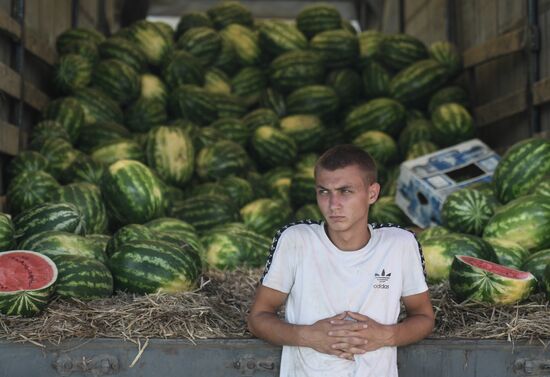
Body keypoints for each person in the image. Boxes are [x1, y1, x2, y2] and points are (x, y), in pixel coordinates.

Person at [247, 144, 435, 377]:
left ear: (372, 193)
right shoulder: (296, 240)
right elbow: (257, 317)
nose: (333, 204)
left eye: (345, 191)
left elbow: (424, 317)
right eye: (324, 191)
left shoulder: (400, 244)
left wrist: (386, 335)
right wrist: (308, 336)